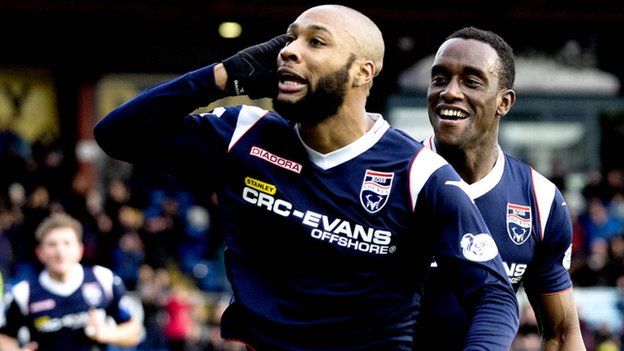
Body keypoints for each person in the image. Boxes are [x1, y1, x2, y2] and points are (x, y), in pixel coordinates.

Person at [93, 5, 519, 350]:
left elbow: (494, 295)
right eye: (289, 38)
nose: (288, 51)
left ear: (362, 73)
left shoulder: (418, 173)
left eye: (315, 42)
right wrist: (222, 76)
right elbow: (117, 134)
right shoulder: (243, 134)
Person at [416, 27, 585, 350]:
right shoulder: (396, 178)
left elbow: (562, 334)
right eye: (439, 78)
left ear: (504, 102)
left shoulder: (540, 200)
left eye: (471, 81)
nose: (449, 92)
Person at [0, 212, 142, 351]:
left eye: (67, 243)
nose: (60, 251)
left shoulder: (103, 279)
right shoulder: (23, 293)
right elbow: (4, 338)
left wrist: (108, 334)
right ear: (40, 253)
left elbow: (134, 332)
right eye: (52, 244)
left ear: (80, 249)